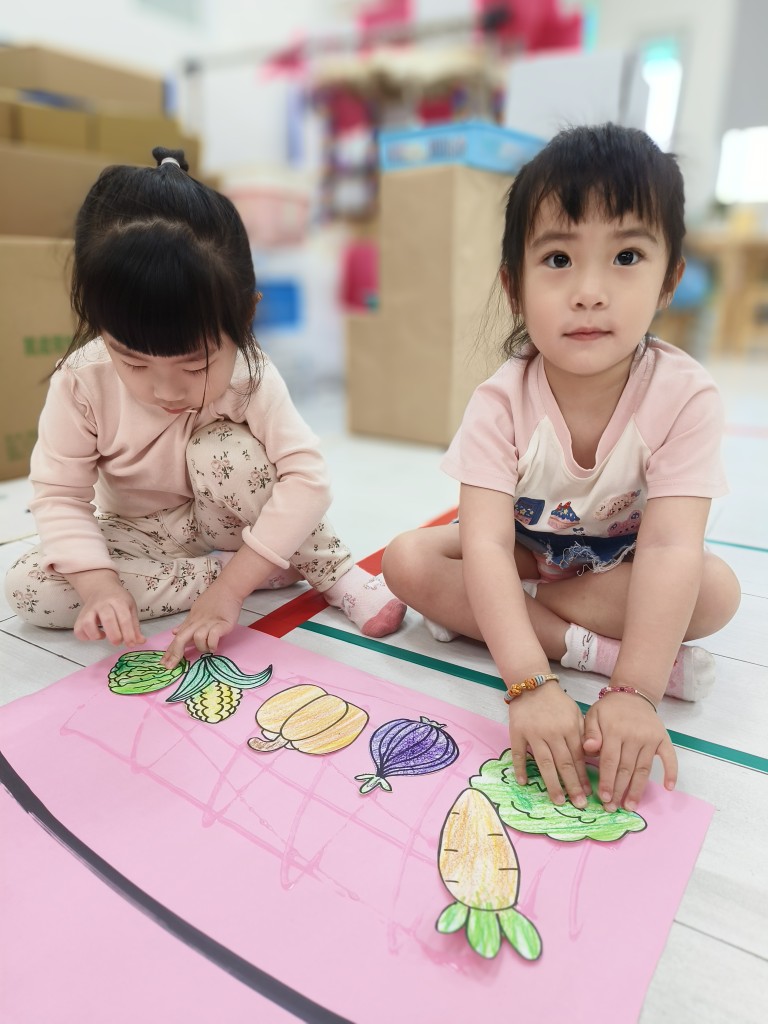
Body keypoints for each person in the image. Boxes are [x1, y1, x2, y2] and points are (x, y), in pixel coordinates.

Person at [382, 124, 741, 815]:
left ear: (669, 280)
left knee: (716, 591)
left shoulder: (685, 396)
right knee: (407, 559)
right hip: (528, 557)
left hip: (619, 571)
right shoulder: (499, 403)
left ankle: (527, 622)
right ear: (513, 287)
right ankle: (588, 650)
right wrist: (529, 682)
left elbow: (668, 548)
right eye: (557, 259)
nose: (589, 291)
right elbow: (487, 545)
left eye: (626, 256)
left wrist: (635, 693)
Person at [5, 147, 405, 670]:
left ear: (246, 317)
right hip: (137, 533)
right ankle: (256, 567)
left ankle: (334, 572)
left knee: (225, 450)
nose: (165, 391)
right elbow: (60, 496)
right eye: (133, 362)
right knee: (29, 587)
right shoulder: (82, 380)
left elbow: (306, 478)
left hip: (226, 519)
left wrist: (233, 594)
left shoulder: (248, 372)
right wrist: (100, 585)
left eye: (194, 365)